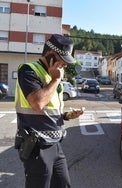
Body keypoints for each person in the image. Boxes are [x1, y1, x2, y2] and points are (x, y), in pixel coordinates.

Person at [14, 34, 84, 188]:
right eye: (63, 60)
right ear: (50, 54)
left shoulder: (51, 75)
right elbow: (38, 103)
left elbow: (49, 111)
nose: (65, 65)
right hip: (36, 146)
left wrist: (67, 115)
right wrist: (56, 80)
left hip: (55, 145)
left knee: (63, 184)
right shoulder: (28, 71)